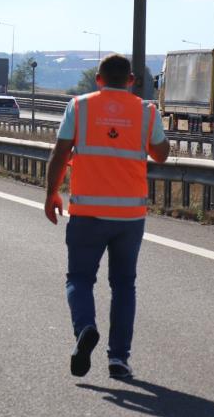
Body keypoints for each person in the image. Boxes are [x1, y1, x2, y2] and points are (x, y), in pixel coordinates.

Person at [44, 54, 169, 380]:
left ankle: (86, 328)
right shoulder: (147, 111)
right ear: (131, 80)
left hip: (87, 212)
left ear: (98, 79)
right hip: (130, 216)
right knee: (124, 286)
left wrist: (51, 193)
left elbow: (59, 153)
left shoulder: (80, 106)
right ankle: (118, 360)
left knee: (79, 279)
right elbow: (162, 154)